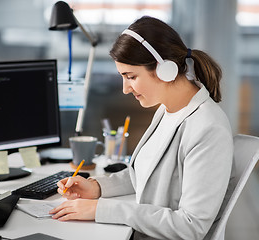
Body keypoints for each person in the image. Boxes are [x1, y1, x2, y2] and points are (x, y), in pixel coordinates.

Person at [49, 16, 234, 240]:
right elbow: (146, 175)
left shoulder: (207, 128)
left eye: (131, 77)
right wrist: (97, 188)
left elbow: (191, 226)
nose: (126, 89)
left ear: (165, 69)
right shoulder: (168, 109)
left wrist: (100, 210)